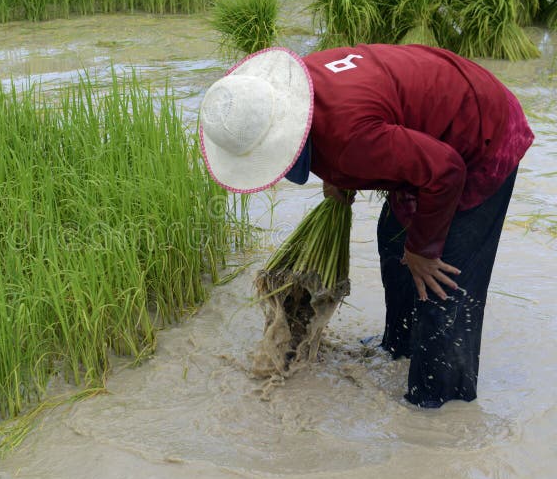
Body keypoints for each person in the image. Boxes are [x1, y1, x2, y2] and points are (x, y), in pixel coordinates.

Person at [198, 44, 533, 408]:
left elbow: (446, 170)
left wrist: (423, 250)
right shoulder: (303, 87)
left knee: (442, 285)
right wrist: (341, 175)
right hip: (435, 126)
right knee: (392, 241)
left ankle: (437, 409)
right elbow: (368, 123)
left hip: (480, 135)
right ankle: (400, 348)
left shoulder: (349, 140)